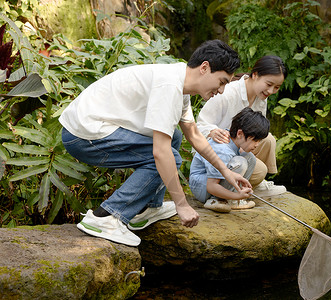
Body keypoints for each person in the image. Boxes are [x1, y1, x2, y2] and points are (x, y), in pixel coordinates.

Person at [59, 40, 251, 247]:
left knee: (175, 137)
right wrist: (182, 204)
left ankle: (147, 208)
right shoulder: (169, 86)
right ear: (204, 68)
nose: (221, 91)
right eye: (221, 82)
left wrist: (225, 172)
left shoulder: (180, 83)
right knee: (165, 156)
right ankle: (106, 216)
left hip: (96, 127)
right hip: (83, 135)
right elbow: (160, 153)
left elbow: (194, 135)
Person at [196, 55, 287, 197]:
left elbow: (257, 131)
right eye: (269, 84)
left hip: (238, 147)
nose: (271, 91)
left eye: (276, 87)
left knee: (268, 139)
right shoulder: (227, 93)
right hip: (218, 151)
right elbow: (199, 125)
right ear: (255, 75)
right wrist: (212, 131)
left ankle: (257, 183)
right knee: (259, 170)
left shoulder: (261, 98)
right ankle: (248, 184)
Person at [190, 107, 269, 213]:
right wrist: (235, 196)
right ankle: (217, 200)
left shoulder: (233, 141)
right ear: (240, 134)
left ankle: (233, 198)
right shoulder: (223, 149)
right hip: (203, 188)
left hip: (209, 185)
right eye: (255, 140)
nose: (257, 145)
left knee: (250, 158)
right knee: (240, 162)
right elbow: (211, 186)